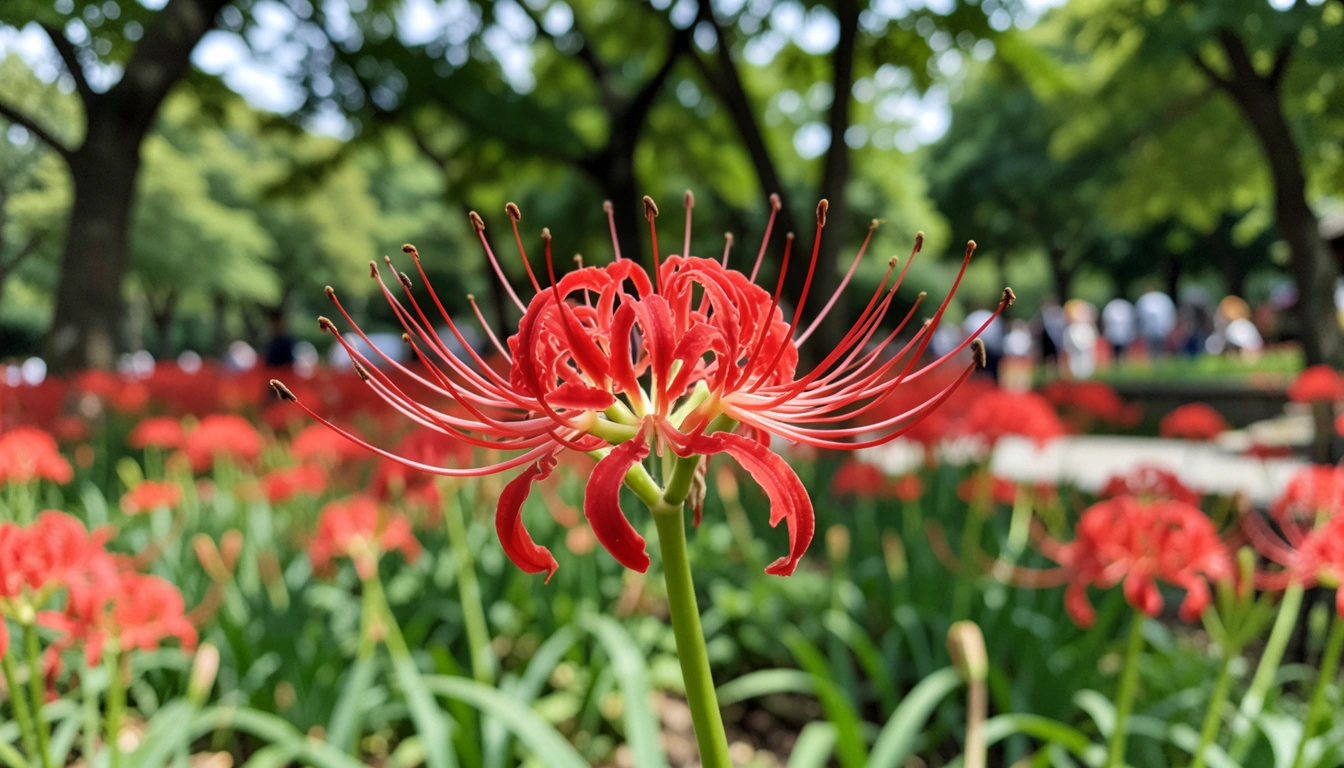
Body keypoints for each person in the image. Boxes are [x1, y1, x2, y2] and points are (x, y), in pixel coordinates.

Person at [1135, 289, 1176, 358]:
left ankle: (1156, 359)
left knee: (1155, 348)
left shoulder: (1145, 300)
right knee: (1158, 348)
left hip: (1154, 330)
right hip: (1160, 330)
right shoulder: (1163, 300)